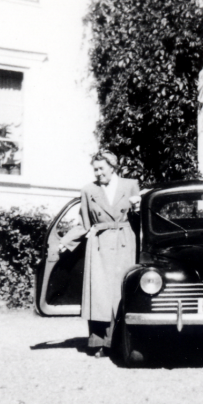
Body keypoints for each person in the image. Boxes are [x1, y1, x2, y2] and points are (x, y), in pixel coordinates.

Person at [60, 150, 141, 358]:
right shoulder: (88, 190)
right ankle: (99, 343)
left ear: (112, 167)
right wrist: (65, 242)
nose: (97, 173)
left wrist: (138, 207)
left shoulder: (130, 185)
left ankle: (122, 342)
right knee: (100, 294)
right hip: (99, 244)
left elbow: (139, 217)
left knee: (123, 292)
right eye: (94, 169)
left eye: (101, 168)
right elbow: (84, 223)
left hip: (125, 240)